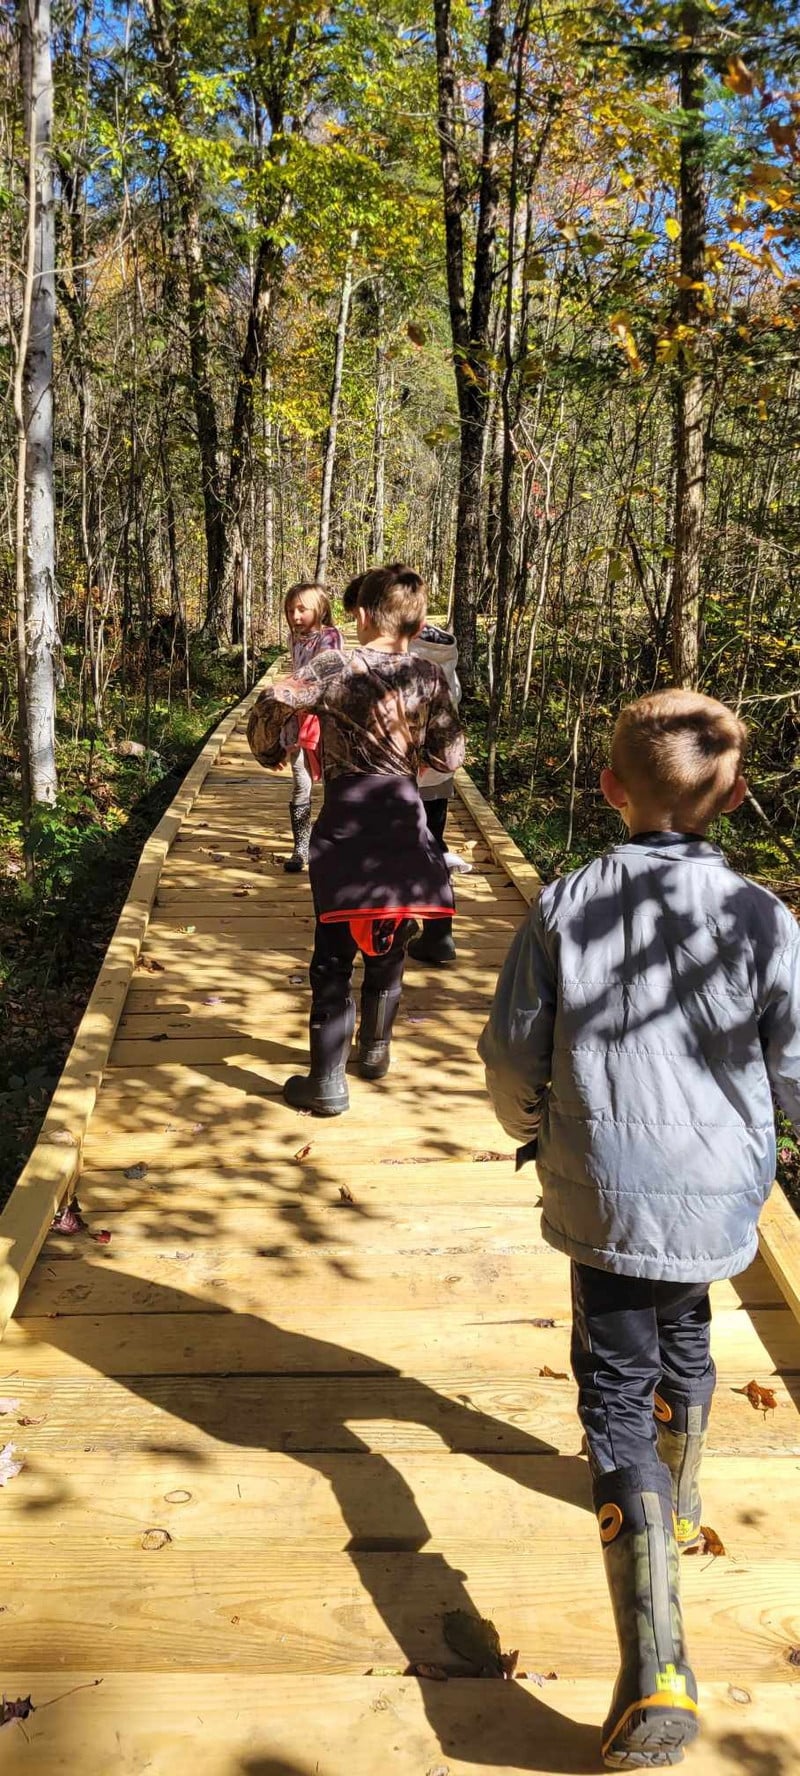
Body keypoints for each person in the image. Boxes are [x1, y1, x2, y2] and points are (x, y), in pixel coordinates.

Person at [477, 687, 800, 1770]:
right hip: (716, 1190)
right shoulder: (763, 916)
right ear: (735, 794)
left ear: (609, 788)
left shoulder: (567, 903)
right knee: (689, 1333)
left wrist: (530, 1128)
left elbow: (510, 1052)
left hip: (605, 1189)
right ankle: (684, 1485)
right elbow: (791, 1064)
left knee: (612, 1388)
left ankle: (655, 1659)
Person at [248, 563, 465, 1116]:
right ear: (416, 624)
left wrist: (271, 749)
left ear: (362, 616)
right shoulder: (429, 678)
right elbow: (449, 756)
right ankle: (374, 1053)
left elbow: (272, 702)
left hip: (348, 815)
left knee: (335, 949)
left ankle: (327, 1081)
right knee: (392, 929)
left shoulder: (334, 665)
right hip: (402, 813)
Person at [342, 584, 464, 966]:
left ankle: (389, 924)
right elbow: (450, 707)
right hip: (434, 775)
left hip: (396, 778)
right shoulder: (442, 648)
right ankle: (438, 933)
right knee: (433, 848)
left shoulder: (397, 658)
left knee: (392, 849)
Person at [280, 582, 343, 873]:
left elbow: (325, 671)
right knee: (300, 779)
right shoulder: (295, 639)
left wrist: (297, 689)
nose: (295, 615)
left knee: (332, 780)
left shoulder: (330, 637)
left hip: (323, 718)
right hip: (297, 716)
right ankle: (300, 847)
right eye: (291, 610)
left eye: (302, 609)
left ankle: (332, 841)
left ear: (321, 608)